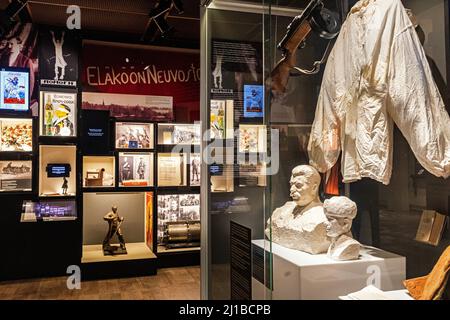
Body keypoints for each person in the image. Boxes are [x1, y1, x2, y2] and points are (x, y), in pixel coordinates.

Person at [265, 165, 330, 254]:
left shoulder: (322, 216)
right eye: (291, 185)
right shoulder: (283, 210)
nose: (292, 190)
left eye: (298, 185)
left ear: (314, 188)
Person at [323, 196, 361, 261]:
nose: (325, 223)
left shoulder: (350, 246)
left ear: (345, 224)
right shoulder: (333, 243)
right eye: (326, 219)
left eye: (330, 219)